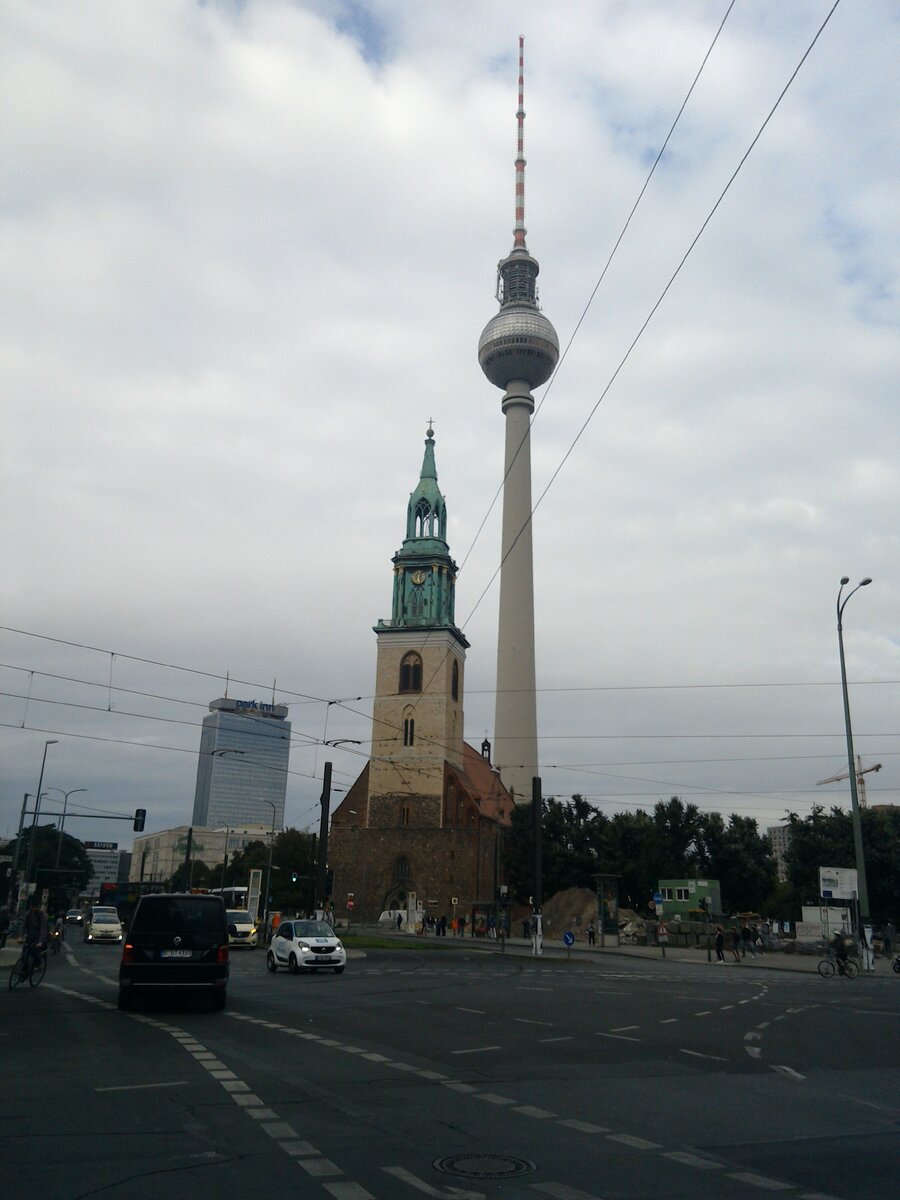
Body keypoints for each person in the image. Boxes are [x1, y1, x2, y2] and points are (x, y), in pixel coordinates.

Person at [22, 898, 48, 972]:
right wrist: (21, 936)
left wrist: (40, 941)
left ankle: (38, 963)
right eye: (33, 907)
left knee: (34, 951)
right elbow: (23, 926)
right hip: (29, 936)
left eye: (36, 907)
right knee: (24, 953)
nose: (34, 909)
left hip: (38, 936)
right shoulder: (28, 914)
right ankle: (24, 970)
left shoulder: (41, 915)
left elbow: (43, 929)